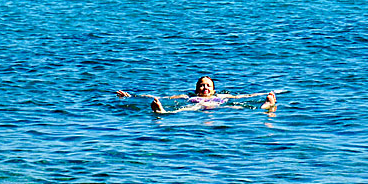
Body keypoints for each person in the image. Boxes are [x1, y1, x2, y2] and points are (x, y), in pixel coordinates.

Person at [116, 76, 277, 113]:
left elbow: (243, 97)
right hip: (197, 105)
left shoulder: (221, 96)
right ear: (196, 89)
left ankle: (266, 105)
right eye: (201, 85)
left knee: (238, 107)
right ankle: (163, 111)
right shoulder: (189, 97)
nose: (204, 87)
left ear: (213, 90)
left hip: (217, 105)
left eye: (208, 85)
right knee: (185, 109)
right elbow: (164, 97)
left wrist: (263, 93)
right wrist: (132, 96)